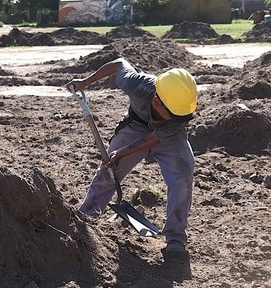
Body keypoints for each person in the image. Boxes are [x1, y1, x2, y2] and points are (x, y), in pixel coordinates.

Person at [66, 58, 198, 257]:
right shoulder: (136, 83)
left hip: (168, 136)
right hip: (136, 125)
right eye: (174, 114)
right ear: (156, 101)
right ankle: (87, 218)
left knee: (183, 175)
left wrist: (122, 152)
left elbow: (154, 138)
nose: (180, 119)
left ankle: (176, 237)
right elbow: (118, 63)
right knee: (108, 172)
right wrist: (85, 82)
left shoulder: (179, 114)